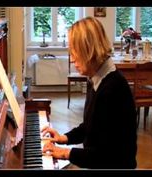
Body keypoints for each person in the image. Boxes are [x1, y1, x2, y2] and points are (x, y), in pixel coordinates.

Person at [41, 16, 137, 169]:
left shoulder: (112, 89)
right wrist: (64, 138)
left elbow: (106, 156)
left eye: (74, 53)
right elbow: (90, 127)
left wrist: (66, 153)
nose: (72, 60)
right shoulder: (97, 78)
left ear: (88, 50)